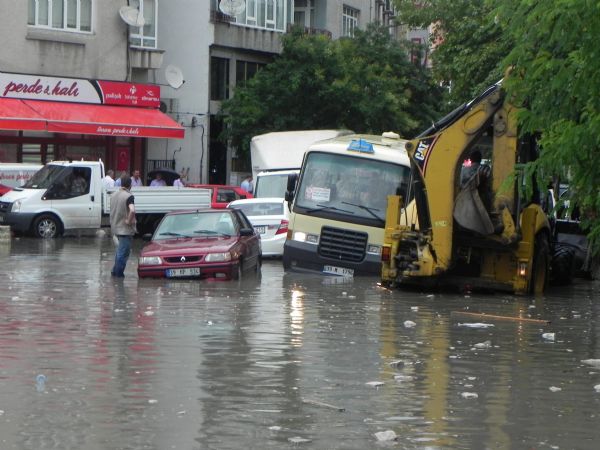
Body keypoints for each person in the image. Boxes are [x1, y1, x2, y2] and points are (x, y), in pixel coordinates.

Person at [110, 175, 136, 278]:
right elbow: (132, 210)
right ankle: (118, 275)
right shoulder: (129, 196)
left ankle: (114, 272)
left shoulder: (113, 194)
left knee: (119, 251)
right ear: (130, 185)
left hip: (115, 227)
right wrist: (129, 221)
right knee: (123, 253)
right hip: (125, 229)